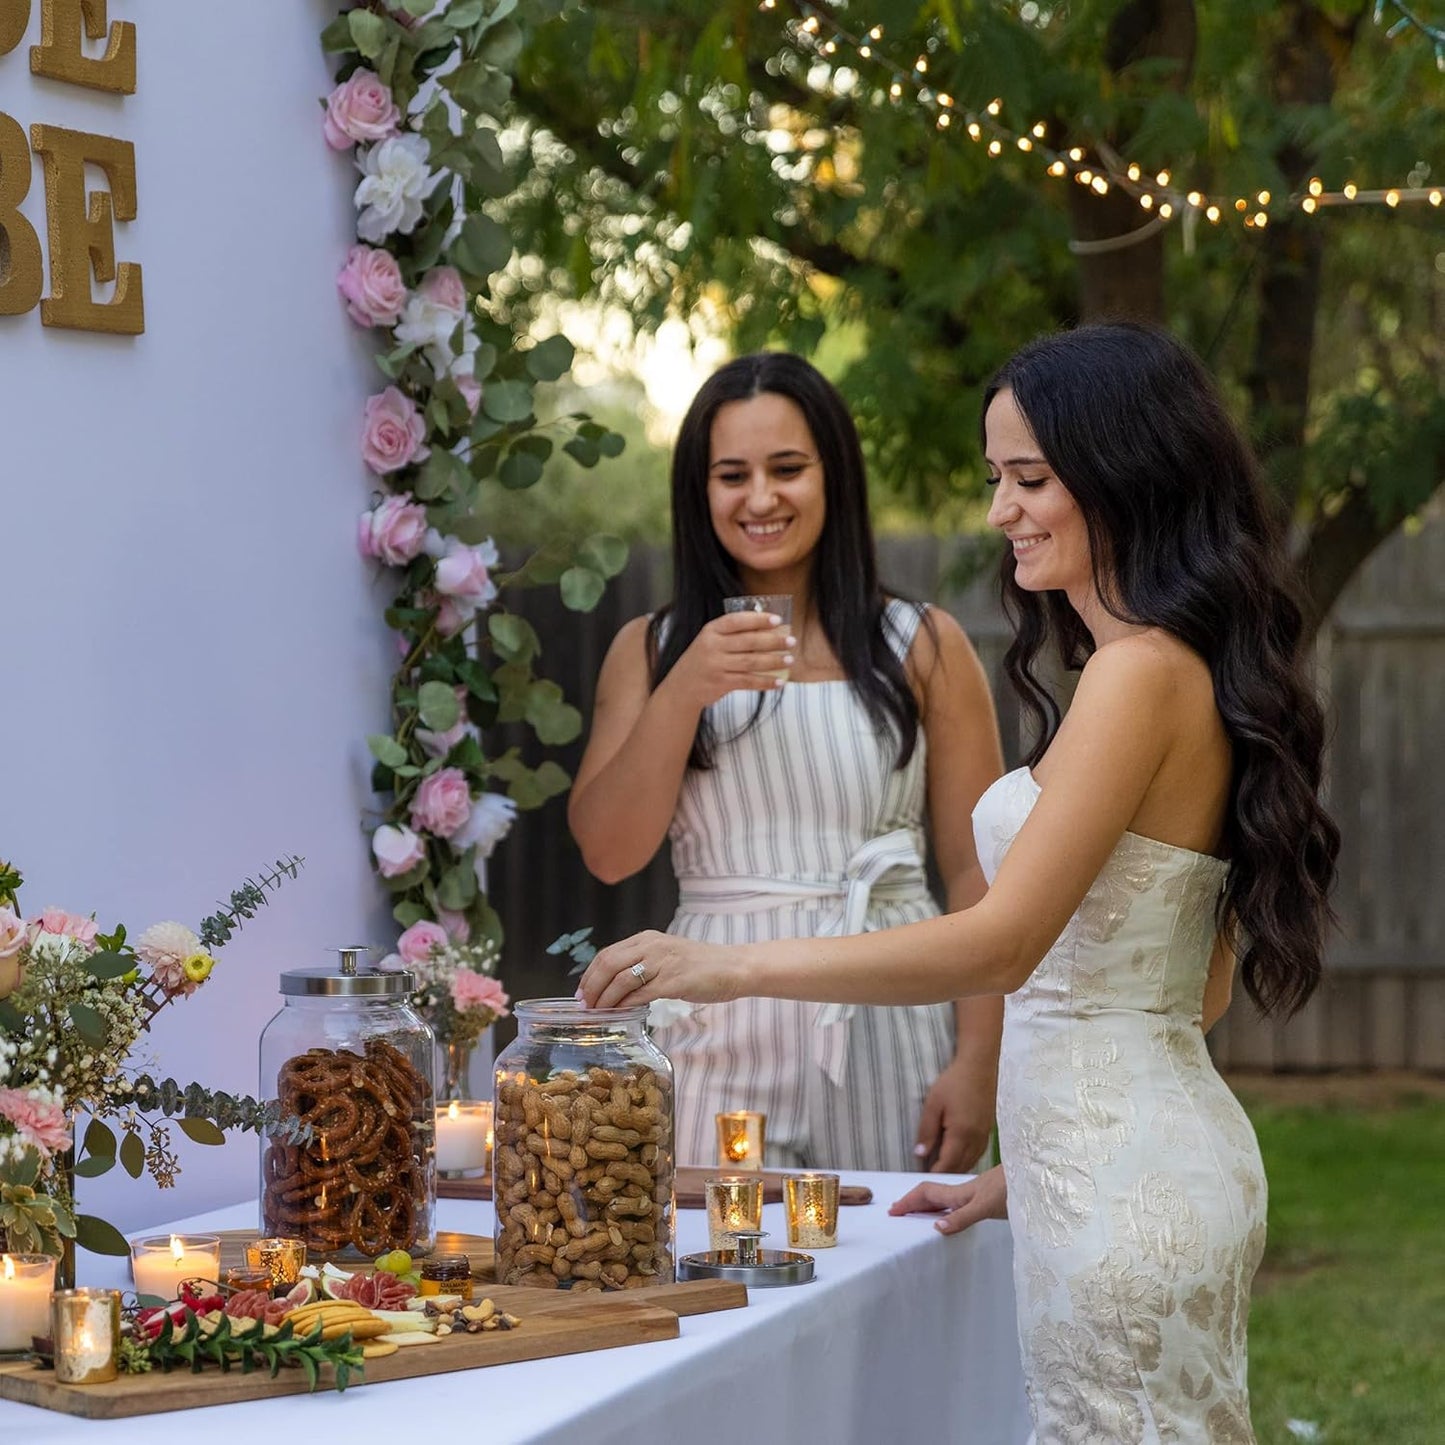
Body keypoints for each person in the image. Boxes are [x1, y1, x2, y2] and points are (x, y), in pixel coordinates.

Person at [579, 324, 1339, 1443]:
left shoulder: (1135, 674)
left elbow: (1002, 940)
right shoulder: (1175, 667)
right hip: (1131, 1165)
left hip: (1124, 1190)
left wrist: (727, 963)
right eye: (996, 479)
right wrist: (1032, 1167)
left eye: (1028, 479)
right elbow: (1185, 992)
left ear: (1122, 472)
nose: (999, 511)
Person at [568, 351, 1005, 1174]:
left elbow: (978, 870)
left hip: (887, 1002)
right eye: (732, 475)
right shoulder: (650, 649)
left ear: (832, 474)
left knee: (892, 1246)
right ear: (698, 491)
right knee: (715, 1250)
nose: (761, 497)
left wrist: (978, 1060)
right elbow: (609, 850)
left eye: (787, 468)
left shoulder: (923, 643)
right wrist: (684, 688)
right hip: (710, 1016)